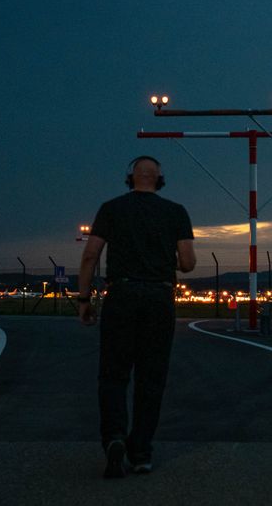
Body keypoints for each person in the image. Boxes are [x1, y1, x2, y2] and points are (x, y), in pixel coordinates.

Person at [77, 155, 195, 478]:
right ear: (160, 179)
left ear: (130, 178)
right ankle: (140, 451)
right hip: (159, 297)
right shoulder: (176, 212)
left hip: (122, 295)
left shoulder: (111, 208)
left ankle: (114, 436)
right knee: (151, 378)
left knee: (113, 375)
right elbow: (187, 263)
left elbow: (90, 256)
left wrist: (84, 299)